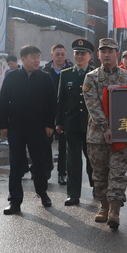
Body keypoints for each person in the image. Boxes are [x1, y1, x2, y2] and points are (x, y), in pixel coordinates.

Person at [83, 38, 127, 229]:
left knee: (117, 174)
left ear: (118, 54)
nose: (107, 54)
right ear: (98, 54)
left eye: (111, 51)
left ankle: (115, 210)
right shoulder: (91, 78)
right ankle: (104, 206)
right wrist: (105, 127)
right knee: (100, 174)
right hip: (97, 136)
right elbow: (92, 105)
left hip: (121, 136)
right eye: (103, 51)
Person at [0, 45, 57, 215]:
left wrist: (49, 125)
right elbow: (3, 101)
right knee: (16, 164)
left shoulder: (45, 78)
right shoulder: (11, 77)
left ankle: (42, 192)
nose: (37, 60)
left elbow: (52, 103)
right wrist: (4, 125)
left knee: (40, 163)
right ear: (23, 59)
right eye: (33, 57)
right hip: (16, 128)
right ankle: (15, 201)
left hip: (38, 128)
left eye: (38, 56)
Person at [55, 39, 95, 206]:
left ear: (89, 56)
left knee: (92, 158)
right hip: (71, 124)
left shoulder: (95, 74)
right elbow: (60, 100)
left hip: (91, 124)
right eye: (77, 53)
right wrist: (59, 122)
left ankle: (96, 187)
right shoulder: (66, 74)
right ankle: (73, 194)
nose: (79, 56)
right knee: (73, 160)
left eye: (83, 53)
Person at [43, 44, 73, 186]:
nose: (60, 57)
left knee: (63, 146)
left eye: (62, 54)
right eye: (57, 54)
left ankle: (62, 173)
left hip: (65, 113)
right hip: (48, 112)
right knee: (45, 143)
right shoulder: (45, 71)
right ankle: (47, 168)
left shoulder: (71, 70)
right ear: (52, 55)